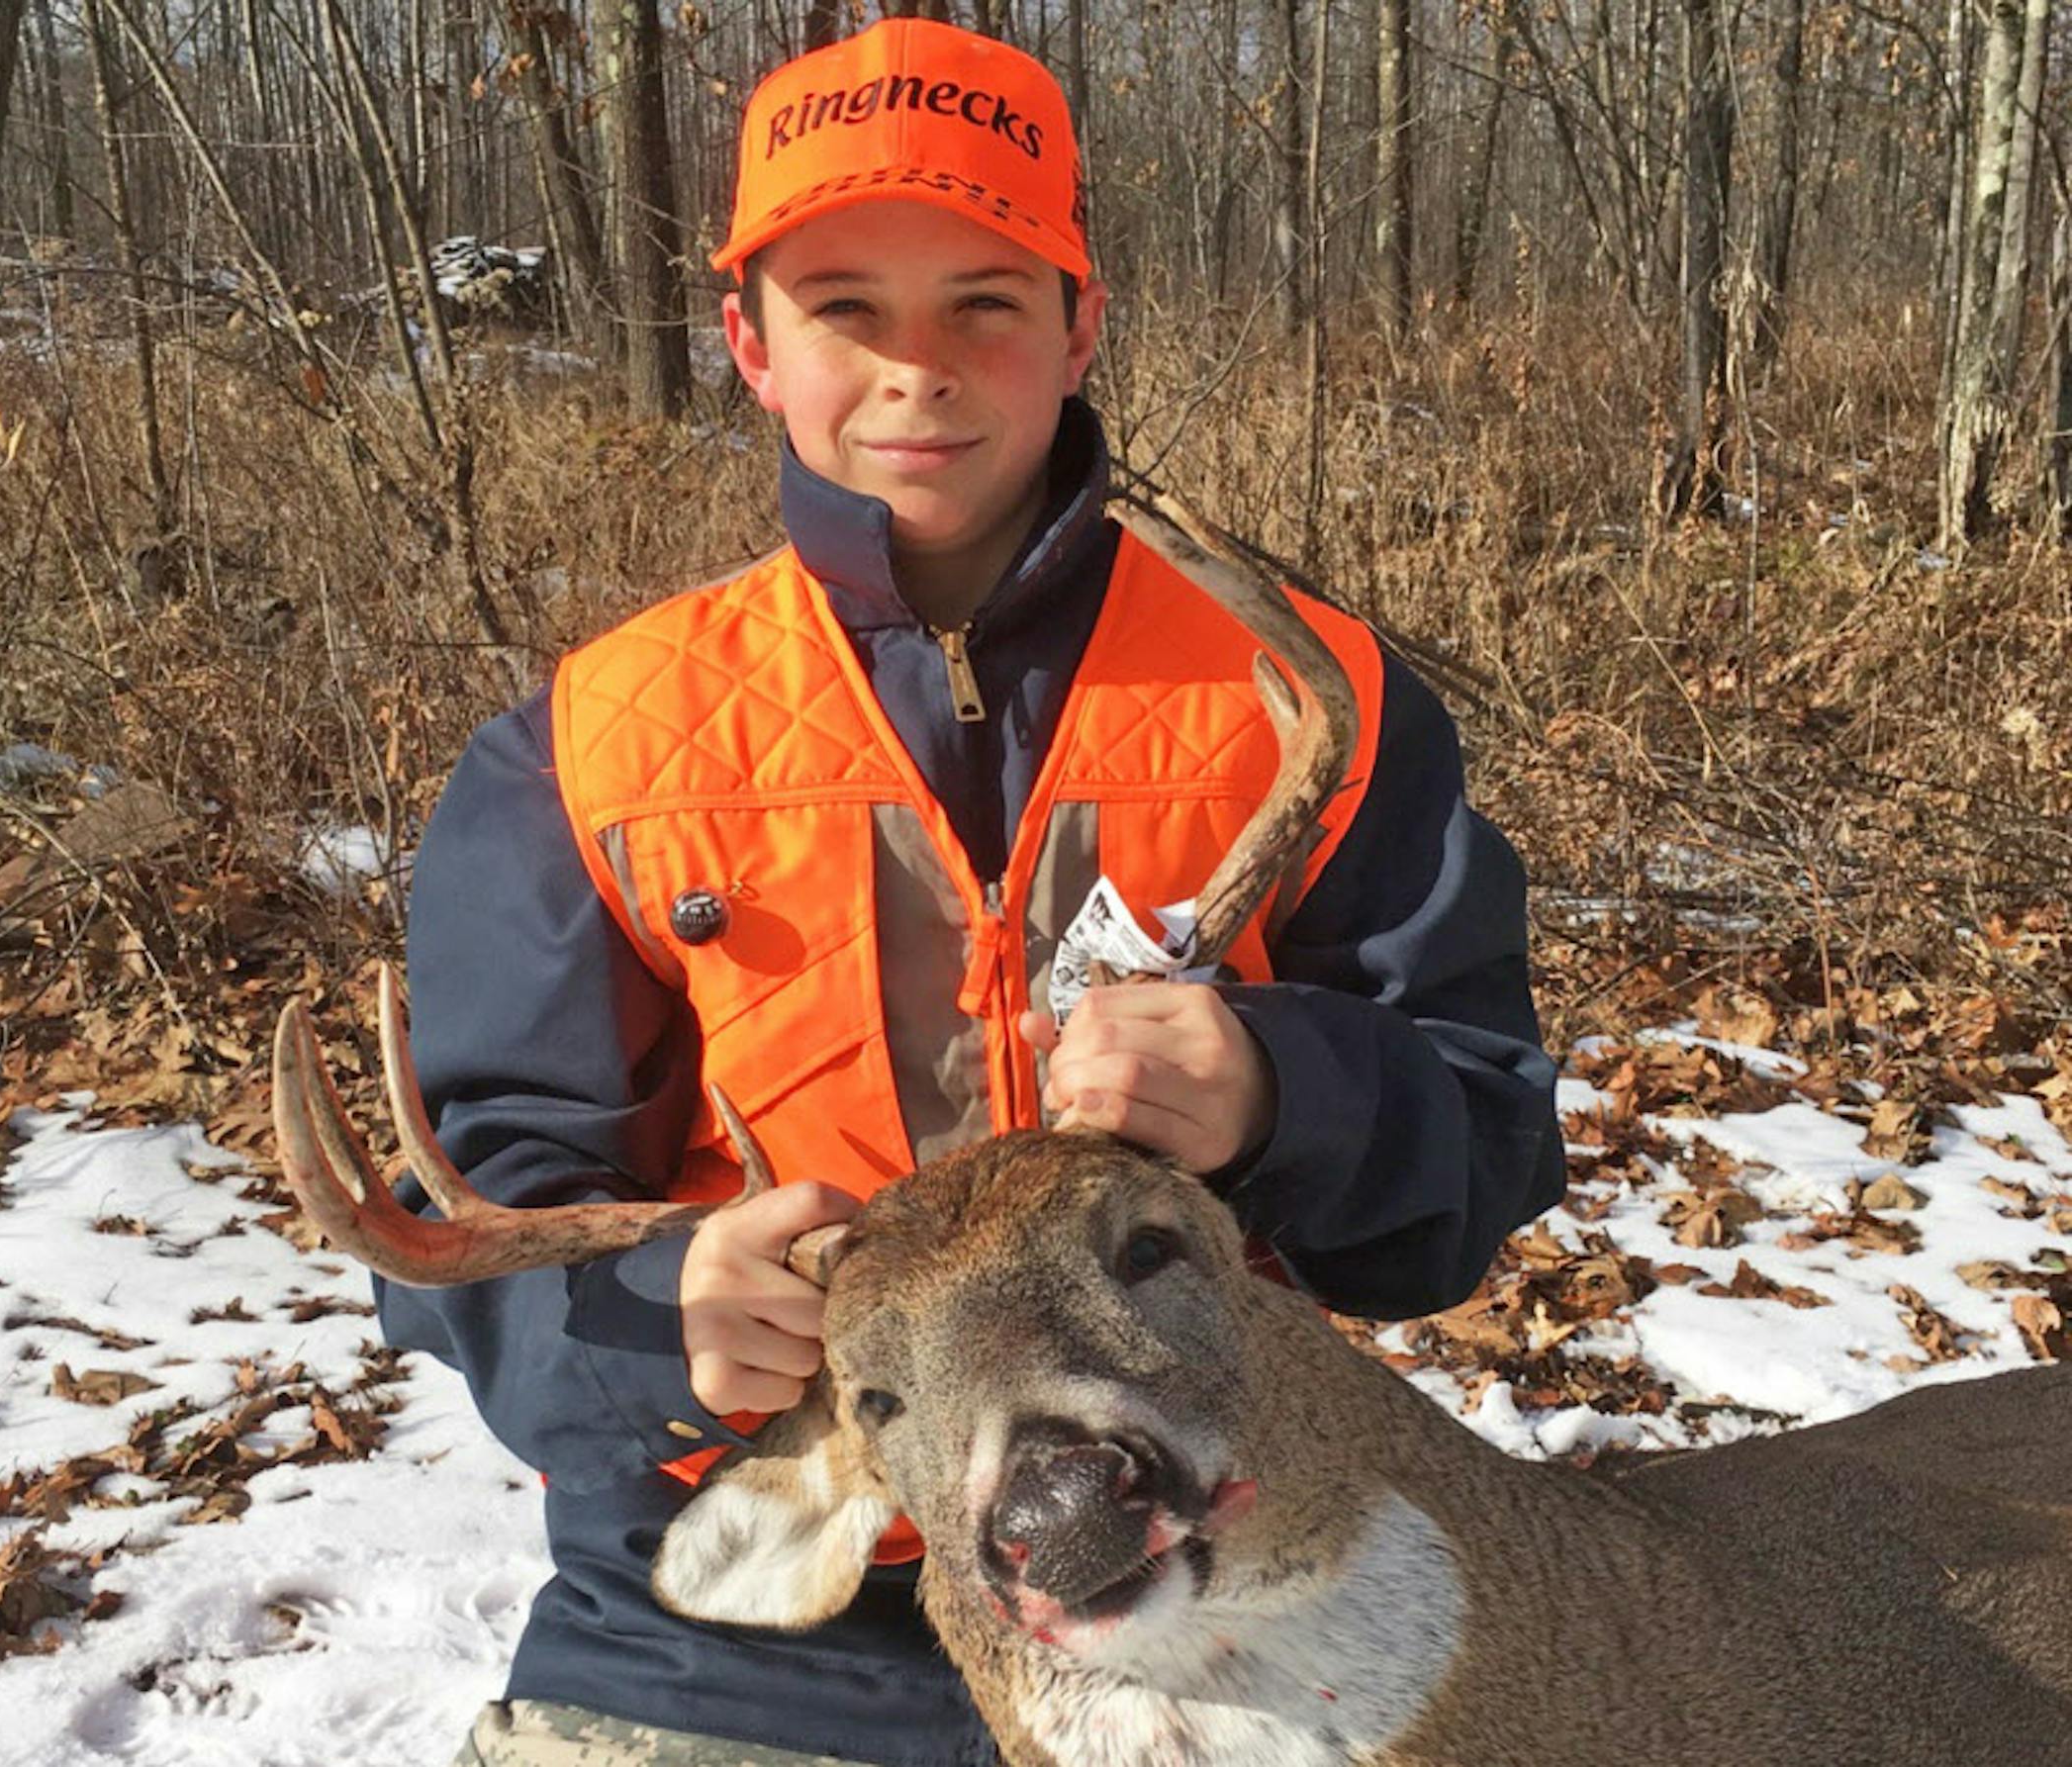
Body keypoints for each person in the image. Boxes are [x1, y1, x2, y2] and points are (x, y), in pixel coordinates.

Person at [383, 17, 1565, 1767]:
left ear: (1079, 322)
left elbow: (1479, 1143)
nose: (914, 369)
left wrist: (1273, 1092)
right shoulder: (592, 744)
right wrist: (664, 1318)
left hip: (1218, 1547)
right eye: (844, 306)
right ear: (748, 345)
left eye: (986, 303)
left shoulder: (1312, 697)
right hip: (754, 1598)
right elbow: (461, 1218)